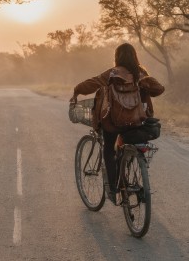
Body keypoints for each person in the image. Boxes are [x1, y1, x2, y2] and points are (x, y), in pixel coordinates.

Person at [70, 43, 164, 204]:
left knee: (108, 149)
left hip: (114, 122)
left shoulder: (113, 73)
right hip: (136, 121)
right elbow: (158, 90)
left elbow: (92, 83)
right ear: (134, 56)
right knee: (126, 144)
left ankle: (113, 189)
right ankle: (127, 165)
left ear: (117, 57)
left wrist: (77, 90)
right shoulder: (140, 73)